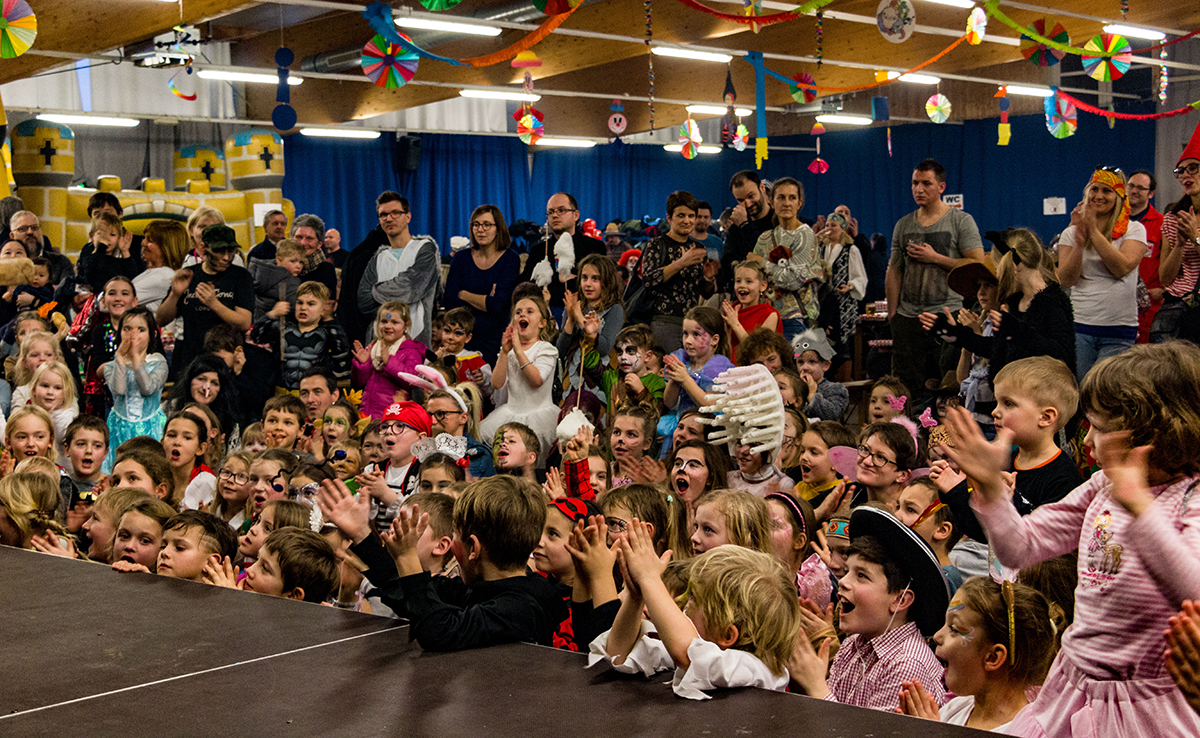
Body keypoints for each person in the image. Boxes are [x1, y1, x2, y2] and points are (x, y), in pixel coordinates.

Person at [942, 341, 1200, 737]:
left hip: (1140, 708)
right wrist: (992, 490)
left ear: (1150, 433)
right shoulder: (1102, 487)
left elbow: (1193, 590)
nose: (1088, 442)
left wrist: (1140, 507)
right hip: (1071, 689)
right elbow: (1020, 548)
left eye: (1100, 428)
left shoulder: (1189, 499)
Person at [323, 474, 567, 651]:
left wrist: (407, 557)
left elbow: (438, 631)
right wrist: (361, 534)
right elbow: (410, 593)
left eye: (456, 536)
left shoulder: (522, 608)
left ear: (474, 548)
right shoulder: (479, 588)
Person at [590, 535, 801, 700]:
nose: (681, 600)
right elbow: (618, 654)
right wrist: (636, 599)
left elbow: (686, 652)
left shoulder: (758, 671)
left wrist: (650, 579)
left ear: (727, 634)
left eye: (692, 597)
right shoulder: (703, 649)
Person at [788, 506, 951, 710]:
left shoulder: (906, 664)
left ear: (900, 600)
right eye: (847, 571)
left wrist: (816, 686)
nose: (843, 582)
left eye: (861, 575)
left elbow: (866, 729)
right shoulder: (852, 645)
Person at [933, 356, 1082, 550]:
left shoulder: (1064, 480)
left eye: (1008, 403)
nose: (995, 412)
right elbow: (983, 532)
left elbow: (1035, 544)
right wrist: (955, 489)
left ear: (1046, 417)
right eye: (997, 402)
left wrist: (1003, 497)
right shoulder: (1004, 462)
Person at [899, 577, 1060, 731]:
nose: (937, 636)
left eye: (954, 628)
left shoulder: (1025, 731)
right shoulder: (956, 709)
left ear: (993, 657)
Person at [886, 159, 985, 400]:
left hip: (947, 314)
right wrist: (893, 315)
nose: (918, 189)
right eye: (915, 183)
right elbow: (894, 270)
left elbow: (977, 264)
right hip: (908, 318)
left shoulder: (961, 221)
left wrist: (935, 258)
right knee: (905, 389)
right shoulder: (903, 224)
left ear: (941, 187)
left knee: (944, 386)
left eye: (926, 183)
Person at [923, 228, 1076, 380]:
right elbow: (998, 349)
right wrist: (956, 334)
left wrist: (1017, 332)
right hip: (1014, 386)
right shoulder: (1017, 302)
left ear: (1014, 266)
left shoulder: (1052, 301)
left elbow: (1061, 354)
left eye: (998, 269)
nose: (998, 275)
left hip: (1042, 389)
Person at [1058, 166, 1147, 380]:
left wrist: (1093, 231)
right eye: (1094, 189)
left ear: (1119, 197)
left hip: (1119, 329)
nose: (1098, 196)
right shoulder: (1071, 233)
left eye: (1107, 191)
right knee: (1082, 389)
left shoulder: (1134, 230)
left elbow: (1121, 268)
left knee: (1106, 391)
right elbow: (1067, 279)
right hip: (1080, 327)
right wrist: (1079, 244)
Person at [156, 224, 253, 378]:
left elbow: (245, 322)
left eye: (231, 251)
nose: (227, 257)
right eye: (219, 251)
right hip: (191, 359)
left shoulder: (240, 276)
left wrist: (214, 304)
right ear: (203, 248)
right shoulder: (190, 275)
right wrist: (174, 294)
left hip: (227, 362)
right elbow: (161, 319)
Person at [479, 295, 559, 460]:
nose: (523, 314)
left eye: (530, 311)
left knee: (534, 459)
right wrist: (504, 351)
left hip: (540, 416)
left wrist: (517, 350)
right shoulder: (509, 351)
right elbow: (496, 383)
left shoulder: (546, 349)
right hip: (511, 412)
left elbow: (537, 381)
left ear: (542, 323)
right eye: (518, 312)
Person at [638, 191, 718, 352]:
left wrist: (709, 279)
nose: (687, 220)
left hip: (693, 324)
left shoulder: (698, 247)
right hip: (664, 322)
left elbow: (705, 292)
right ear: (669, 218)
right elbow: (648, 280)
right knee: (668, 367)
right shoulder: (656, 245)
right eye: (681, 215)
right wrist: (681, 263)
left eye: (691, 216)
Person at [441, 204, 521, 365]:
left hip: (495, 339)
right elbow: (449, 301)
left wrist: (463, 293)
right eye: (476, 225)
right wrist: (485, 300)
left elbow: (498, 304)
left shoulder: (510, 259)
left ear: (498, 228)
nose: (480, 230)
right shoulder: (461, 258)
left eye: (487, 224)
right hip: (461, 339)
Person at [357, 192, 441, 346]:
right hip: (379, 343)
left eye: (395, 213)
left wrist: (376, 291)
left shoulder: (425, 249)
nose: (389, 219)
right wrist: (401, 299)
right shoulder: (377, 259)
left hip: (415, 341)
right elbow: (364, 302)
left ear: (408, 217)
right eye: (383, 215)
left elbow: (412, 287)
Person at [750, 177, 822, 341]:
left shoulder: (805, 235)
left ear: (799, 203)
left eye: (792, 198)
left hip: (795, 318)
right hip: (765, 315)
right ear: (771, 202)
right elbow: (753, 278)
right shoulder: (764, 238)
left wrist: (761, 262)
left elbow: (792, 280)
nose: (786, 203)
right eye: (781, 197)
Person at [99, 307, 169, 473]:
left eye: (141, 330)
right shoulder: (111, 366)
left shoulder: (158, 362)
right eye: (127, 329)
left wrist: (137, 357)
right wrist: (120, 357)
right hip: (119, 427)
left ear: (152, 335)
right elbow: (119, 389)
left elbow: (147, 388)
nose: (133, 335)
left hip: (151, 427)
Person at [252, 281, 350, 391]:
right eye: (299, 303)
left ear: (323, 308)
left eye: (311, 304)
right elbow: (256, 336)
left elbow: (342, 366)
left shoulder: (329, 332)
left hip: (312, 394)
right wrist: (272, 314)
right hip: (280, 393)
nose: (303, 308)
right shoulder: (282, 327)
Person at [519, 192, 606, 315]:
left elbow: (598, 285)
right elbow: (526, 286)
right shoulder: (538, 250)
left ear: (576, 215)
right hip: (547, 315)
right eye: (551, 212)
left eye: (561, 210)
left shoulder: (594, 247)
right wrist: (559, 278)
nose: (555, 215)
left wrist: (551, 281)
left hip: (585, 314)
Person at [1152, 121, 1200, 345]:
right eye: (1180, 171)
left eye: (1193, 168)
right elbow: (1165, 277)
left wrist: (1196, 238)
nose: (1185, 175)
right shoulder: (1173, 218)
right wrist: (1180, 245)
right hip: (1179, 308)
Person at [660, 307, 733, 444]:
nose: (688, 340)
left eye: (696, 334)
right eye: (685, 334)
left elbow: (709, 405)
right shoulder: (683, 361)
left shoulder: (718, 367)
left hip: (704, 434)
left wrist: (685, 379)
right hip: (681, 426)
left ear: (714, 340)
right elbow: (669, 402)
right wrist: (675, 378)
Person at [557, 253, 624, 399]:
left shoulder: (615, 309)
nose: (588, 284)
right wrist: (570, 319)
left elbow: (604, 348)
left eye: (595, 279)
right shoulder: (575, 305)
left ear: (607, 281)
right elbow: (560, 351)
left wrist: (580, 318)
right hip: (572, 379)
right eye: (584, 278)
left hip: (597, 379)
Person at [351, 301, 426, 420]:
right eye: (384, 321)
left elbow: (412, 380)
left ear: (406, 325)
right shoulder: (373, 347)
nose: (388, 326)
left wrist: (389, 362)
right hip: (366, 413)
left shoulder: (411, 350)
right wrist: (363, 364)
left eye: (395, 322)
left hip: (392, 415)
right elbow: (359, 382)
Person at [894, 476, 964, 593]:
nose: (896, 515)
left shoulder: (941, 582)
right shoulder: (914, 570)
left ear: (941, 530)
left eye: (910, 509)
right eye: (898, 507)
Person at [720, 171, 783, 292]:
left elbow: (770, 256)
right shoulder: (736, 227)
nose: (748, 204)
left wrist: (745, 226)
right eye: (740, 200)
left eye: (751, 196)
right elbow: (727, 267)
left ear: (762, 188)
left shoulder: (779, 221)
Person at [818, 212, 867, 360]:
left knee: (841, 347)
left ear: (842, 228)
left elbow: (861, 277)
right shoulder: (821, 248)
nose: (829, 228)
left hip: (843, 304)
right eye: (827, 225)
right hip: (823, 302)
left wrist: (850, 286)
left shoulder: (850, 250)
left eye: (834, 225)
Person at [1127, 170, 1164, 343]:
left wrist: (1164, 290)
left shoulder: (1161, 224)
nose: (1134, 191)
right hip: (1118, 307)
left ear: (1151, 193)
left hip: (1149, 311)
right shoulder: (1114, 222)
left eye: (1140, 188)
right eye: (1131, 186)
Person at [721, 260, 780, 362]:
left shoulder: (770, 315)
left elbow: (759, 353)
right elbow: (725, 349)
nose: (742, 285)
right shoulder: (732, 310)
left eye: (748, 281)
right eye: (738, 281)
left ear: (762, 286)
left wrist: (735, 325)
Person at [133, 220, 188, 313]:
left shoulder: (163, 276)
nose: (143, 243)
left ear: (166, 247)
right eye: (144, 238)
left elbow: (110, 302)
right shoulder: (157, 273)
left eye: (149, 240)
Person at [9, 210, 73, 285]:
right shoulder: (6, 265)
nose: (30, 232)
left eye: (34, 228)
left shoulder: (61, 262)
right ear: (12, 236)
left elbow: (67, 289)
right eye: (23, 229)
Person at [249, 238, 302, 324]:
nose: (298, 266)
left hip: (258, 322)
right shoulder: (291, 282)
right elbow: (296, 309)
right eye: (293, 261)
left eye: (301, 262)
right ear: (279, 260)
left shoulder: (261, 274)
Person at [287, 214, 338, 302]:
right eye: (299, 237)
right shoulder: (281, 265)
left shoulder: (326, 270)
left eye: (309, 238)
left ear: (319, 244)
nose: (302, 243)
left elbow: (328, 304)